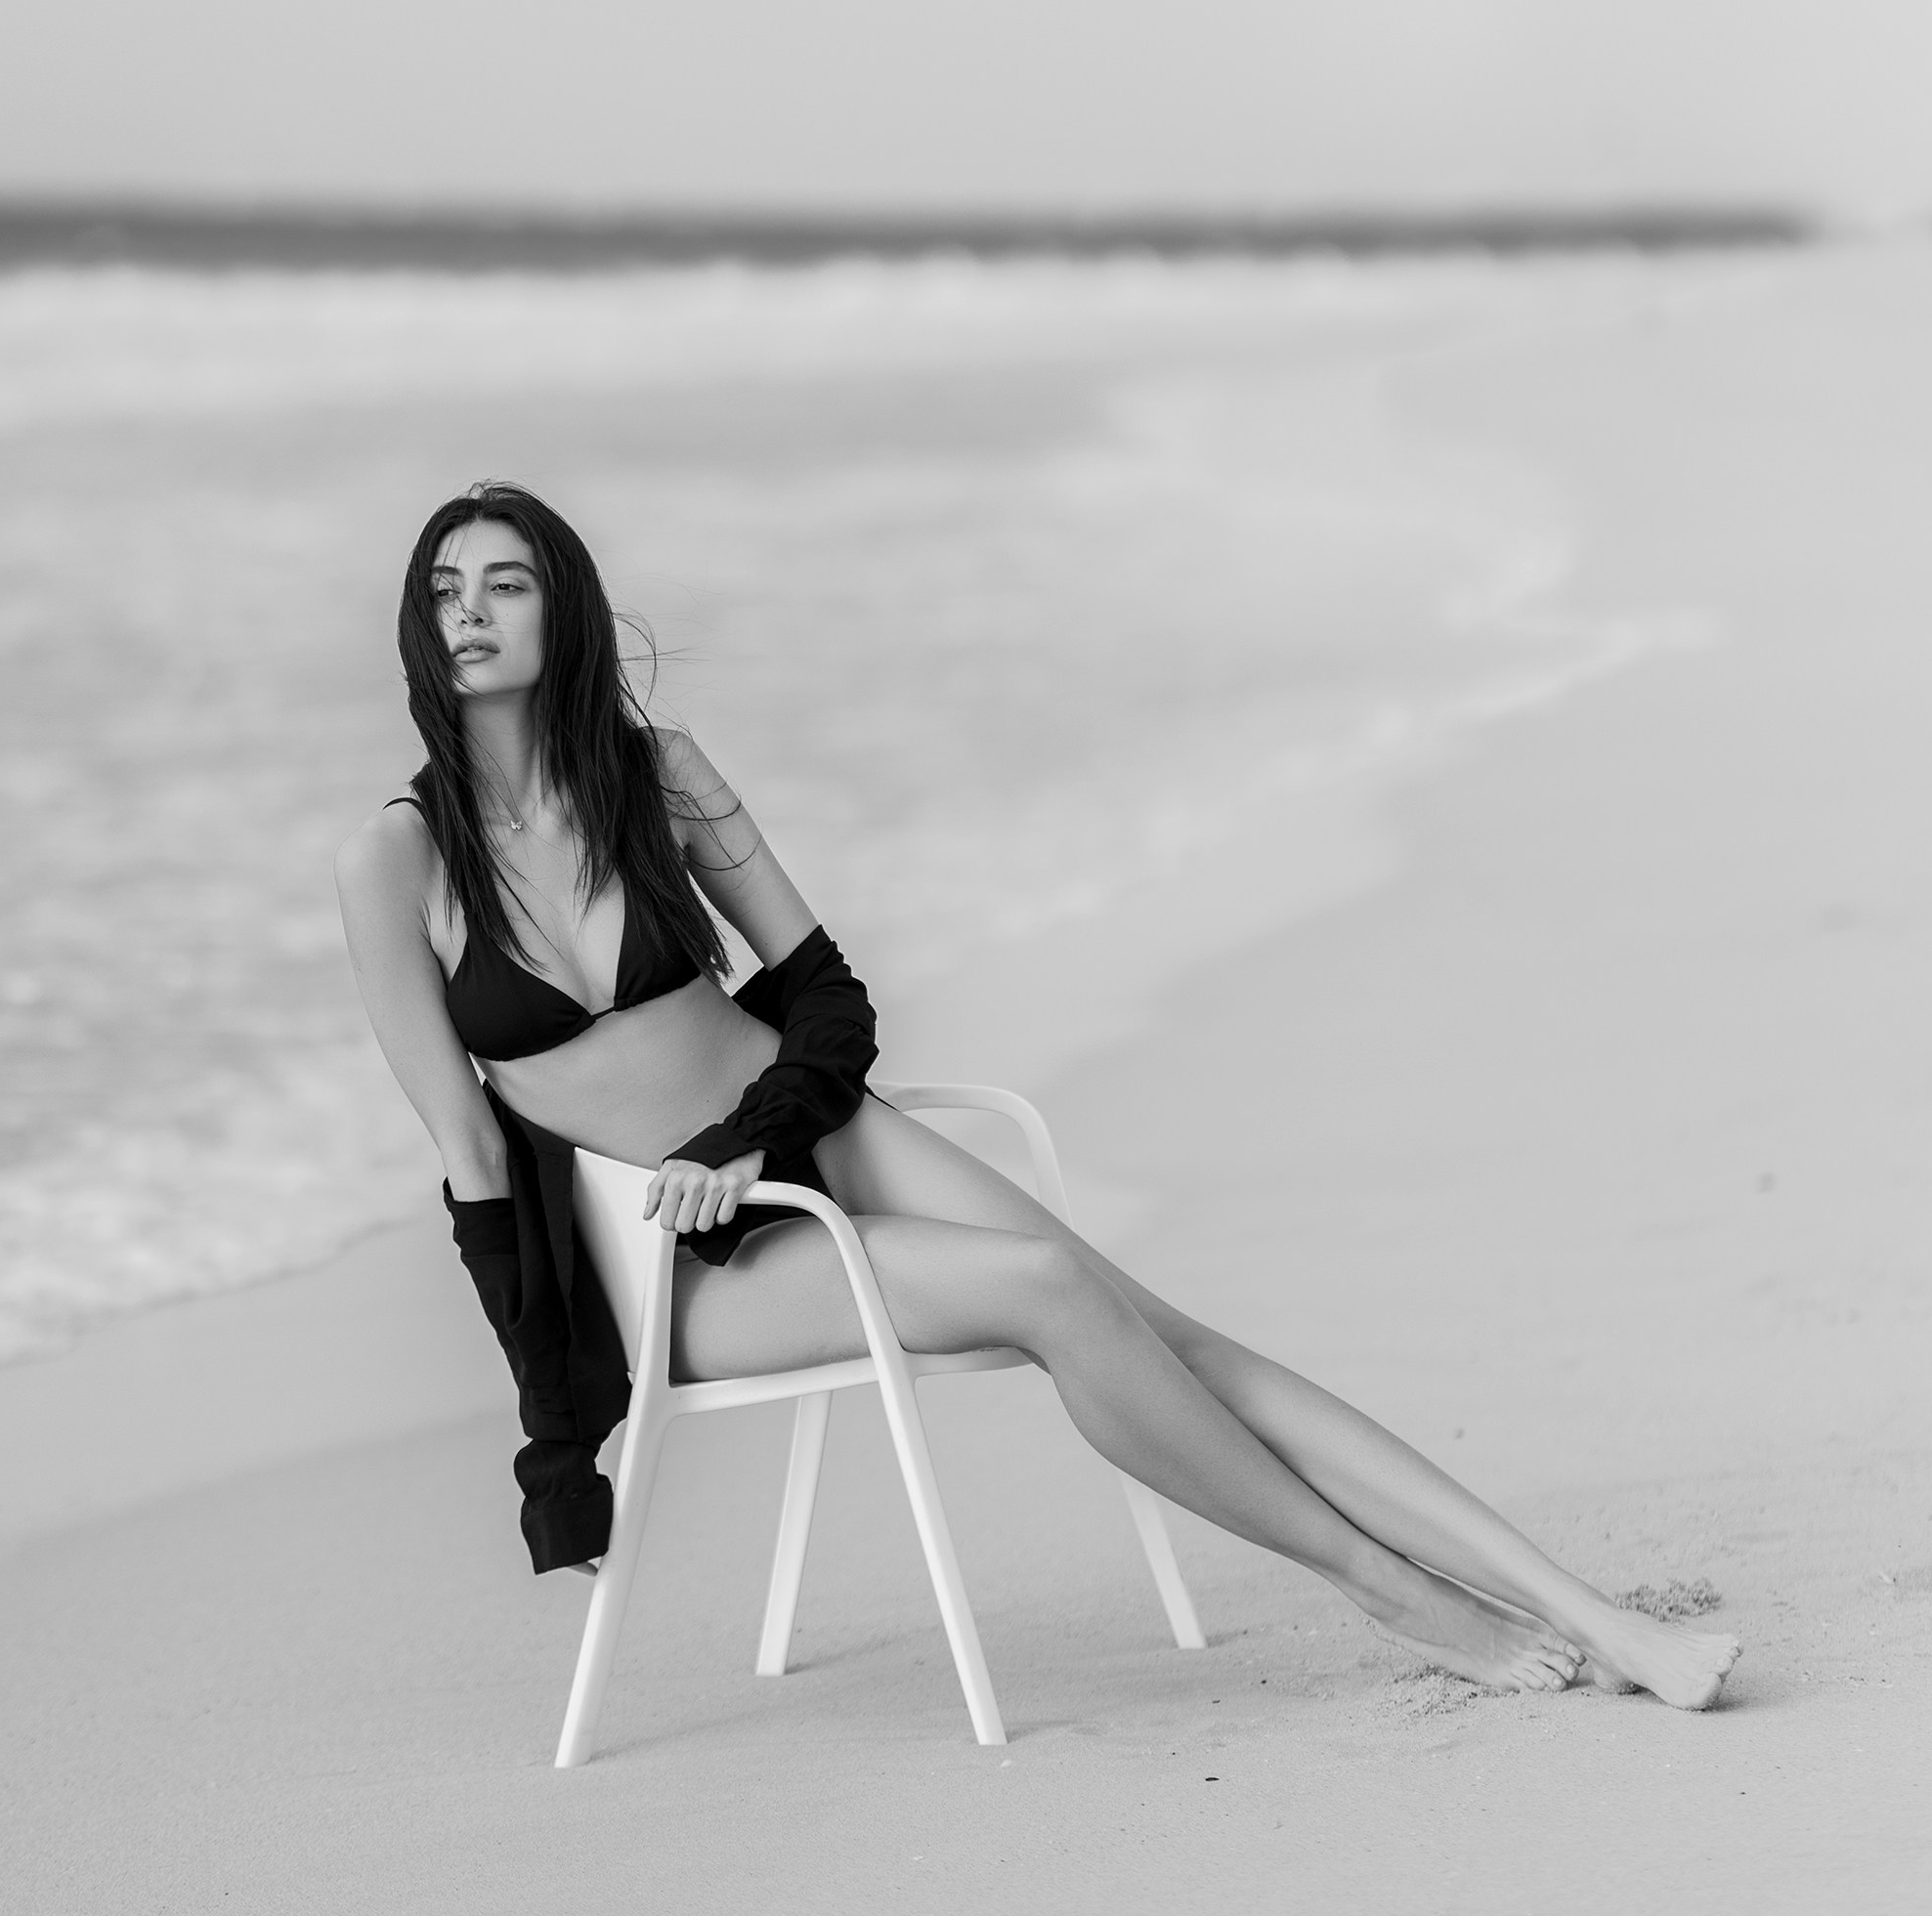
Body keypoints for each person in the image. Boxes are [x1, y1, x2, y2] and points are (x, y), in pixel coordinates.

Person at [335, 482, 1740, 1711]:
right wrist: (552, 1440)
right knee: (1051, 1291)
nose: (470, 611)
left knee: (1169, 1332)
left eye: (504, 583)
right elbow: (468, 1155)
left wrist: (746, 1132)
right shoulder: (400, 863)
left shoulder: (655, 776)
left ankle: (1581, 1606)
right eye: (445, 590)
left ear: (560, 611)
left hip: (796, 1132)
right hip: (688, 1254)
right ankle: (1386, 1587)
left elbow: (828, 994)